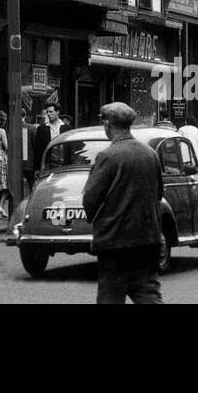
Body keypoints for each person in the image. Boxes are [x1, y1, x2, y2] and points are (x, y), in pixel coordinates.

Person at [81, 102, 164, 305]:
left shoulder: (108, 156)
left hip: (115, 239)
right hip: (147, 236)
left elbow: (91, 197)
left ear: (108, 124)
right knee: (147, 292)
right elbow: (159, 193)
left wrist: (96, 218)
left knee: (111, 294)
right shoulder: (150, 154)